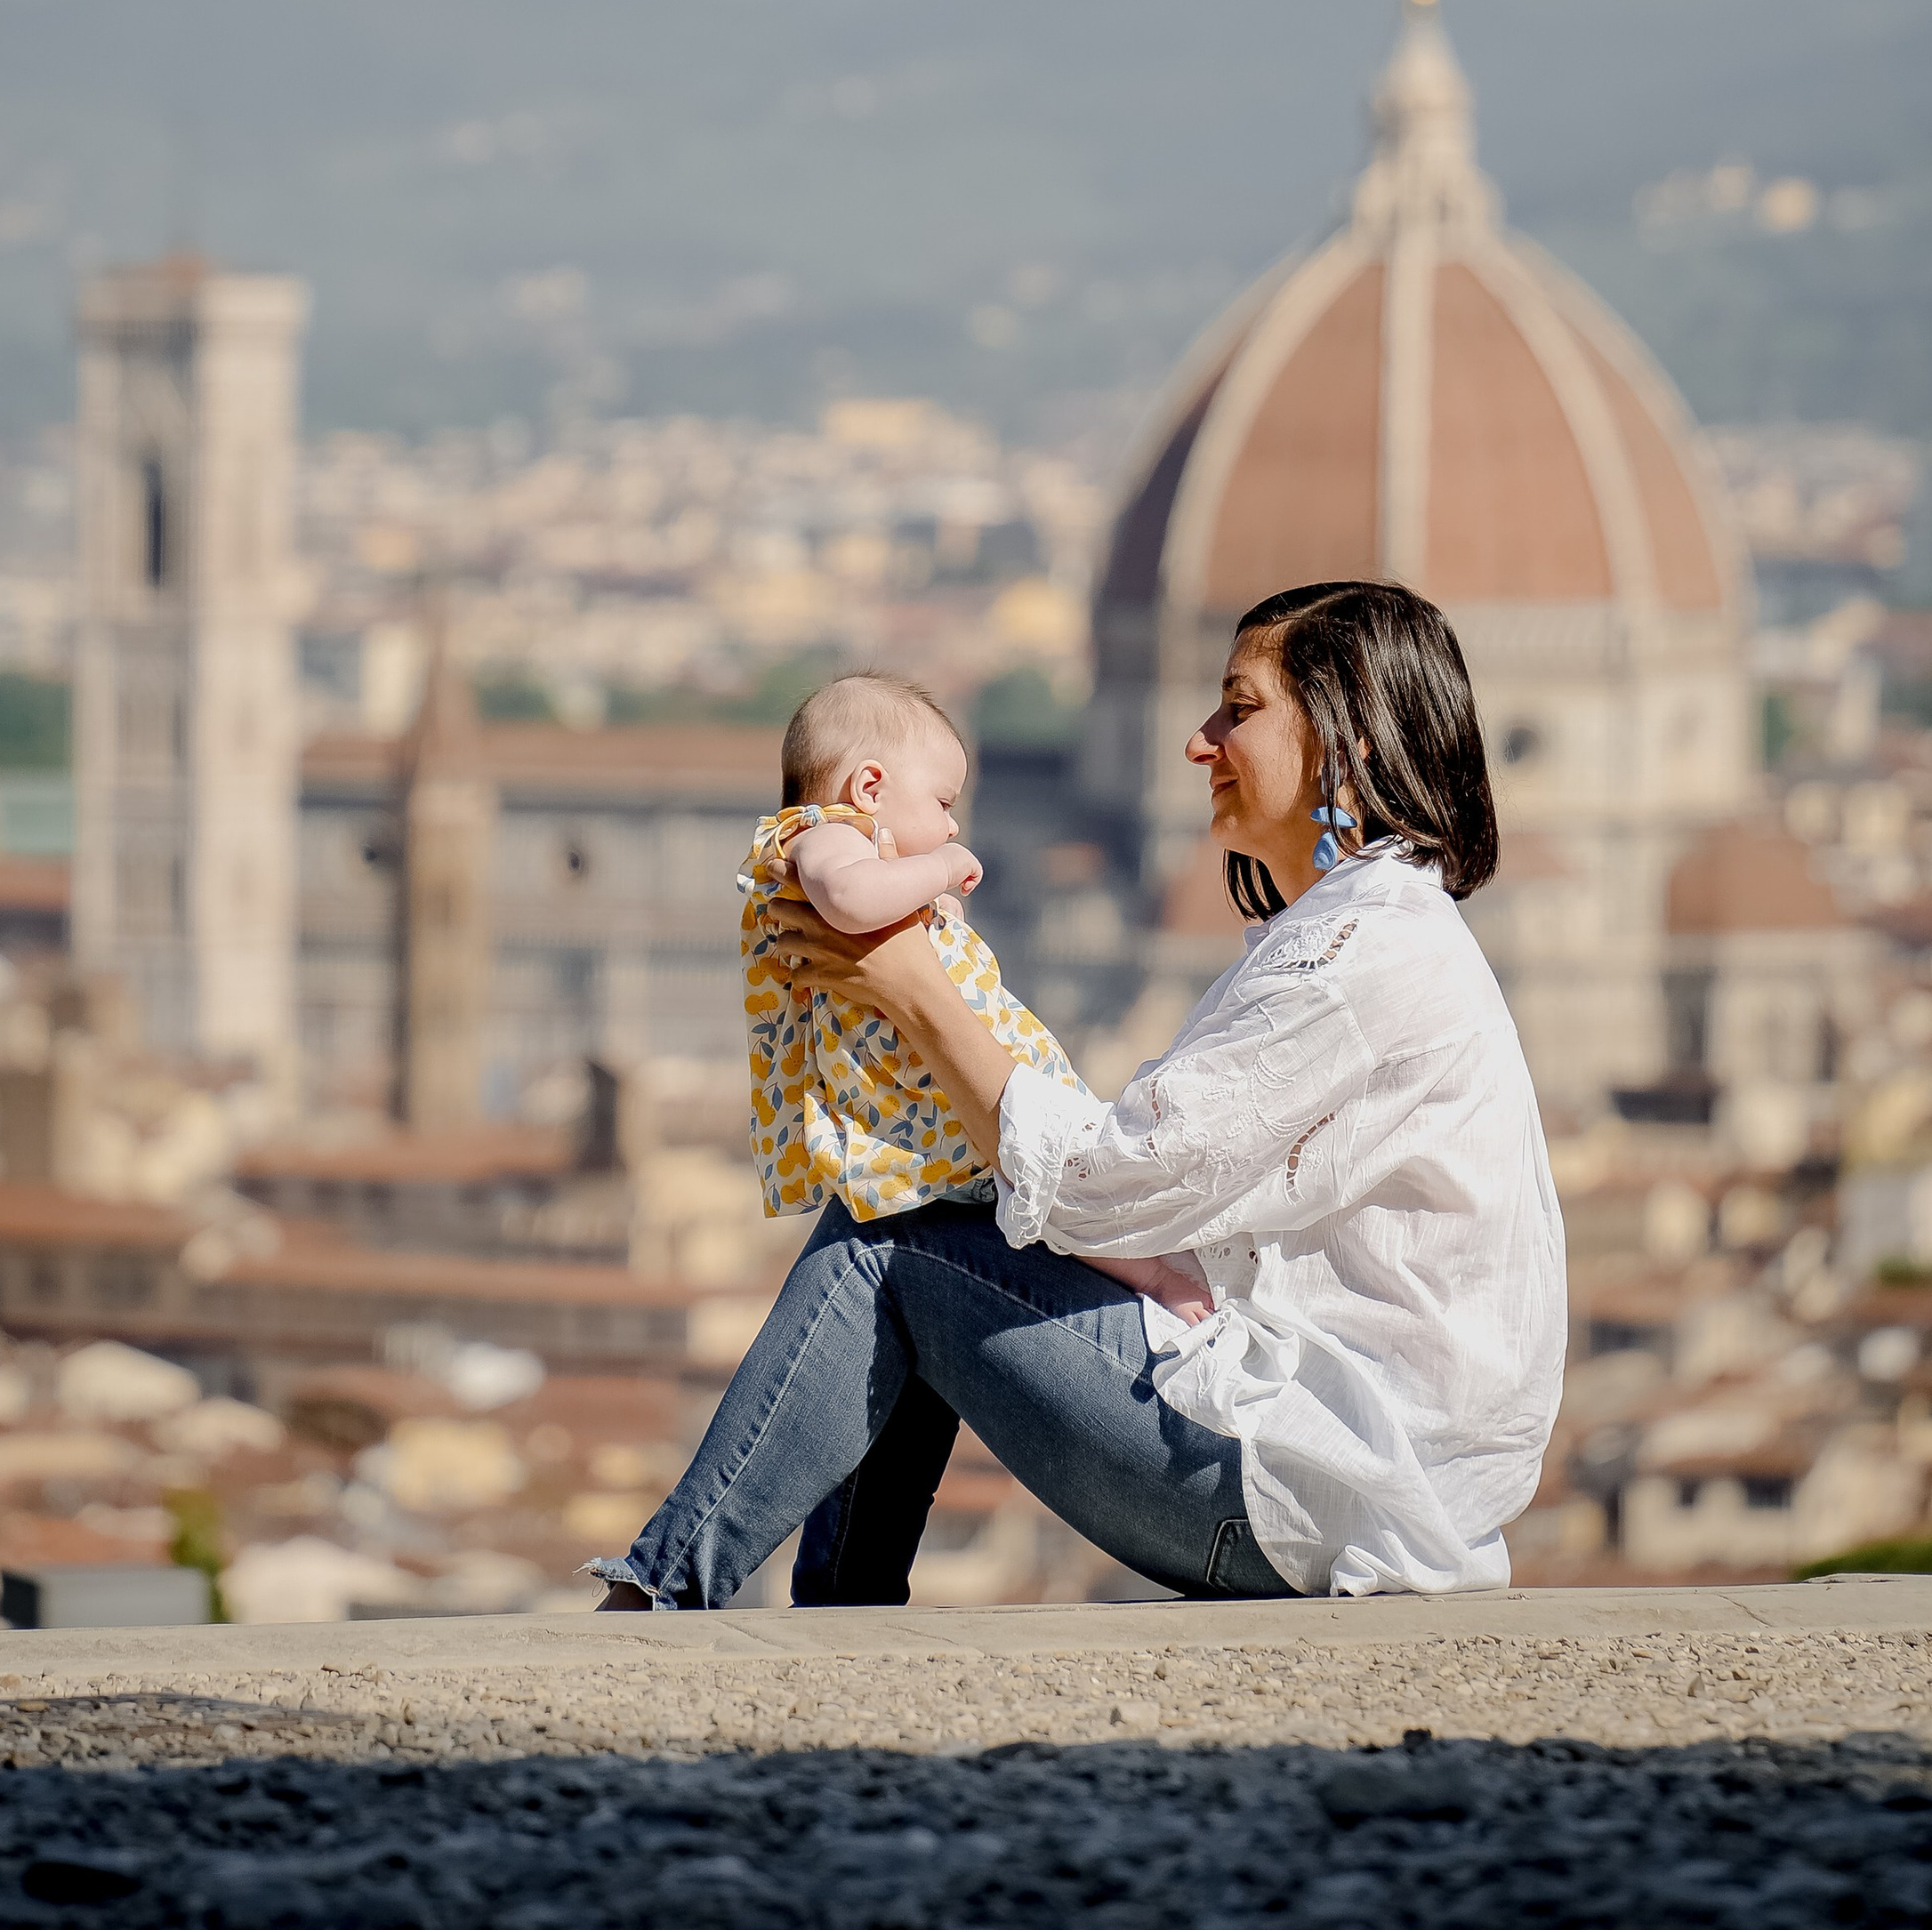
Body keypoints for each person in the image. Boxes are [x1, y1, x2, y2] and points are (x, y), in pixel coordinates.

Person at [592, 581, 1564, 1610]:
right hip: (1311, 1474)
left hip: (1304, 1491)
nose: (1200, 742)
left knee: (893, 1235)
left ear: (1350, 740)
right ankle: (834, 1608)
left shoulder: (1361, 956)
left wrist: (916, 993)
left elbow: (1108, 1183)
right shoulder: (1359, 934)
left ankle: (663, 1597)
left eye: (1238, 708)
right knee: (912, 1220)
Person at [740, 670, 1211, 1315]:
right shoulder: (827, 835)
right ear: (870, 787)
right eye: (942, 803)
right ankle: (1152, 1276)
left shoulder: (861, 847)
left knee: (1050, 1167)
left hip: (934, 1070)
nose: (955, 826)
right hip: (927, 1085)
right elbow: (849, 900)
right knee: (1037, 1168)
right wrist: (938, 871)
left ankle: (1151, 1260)